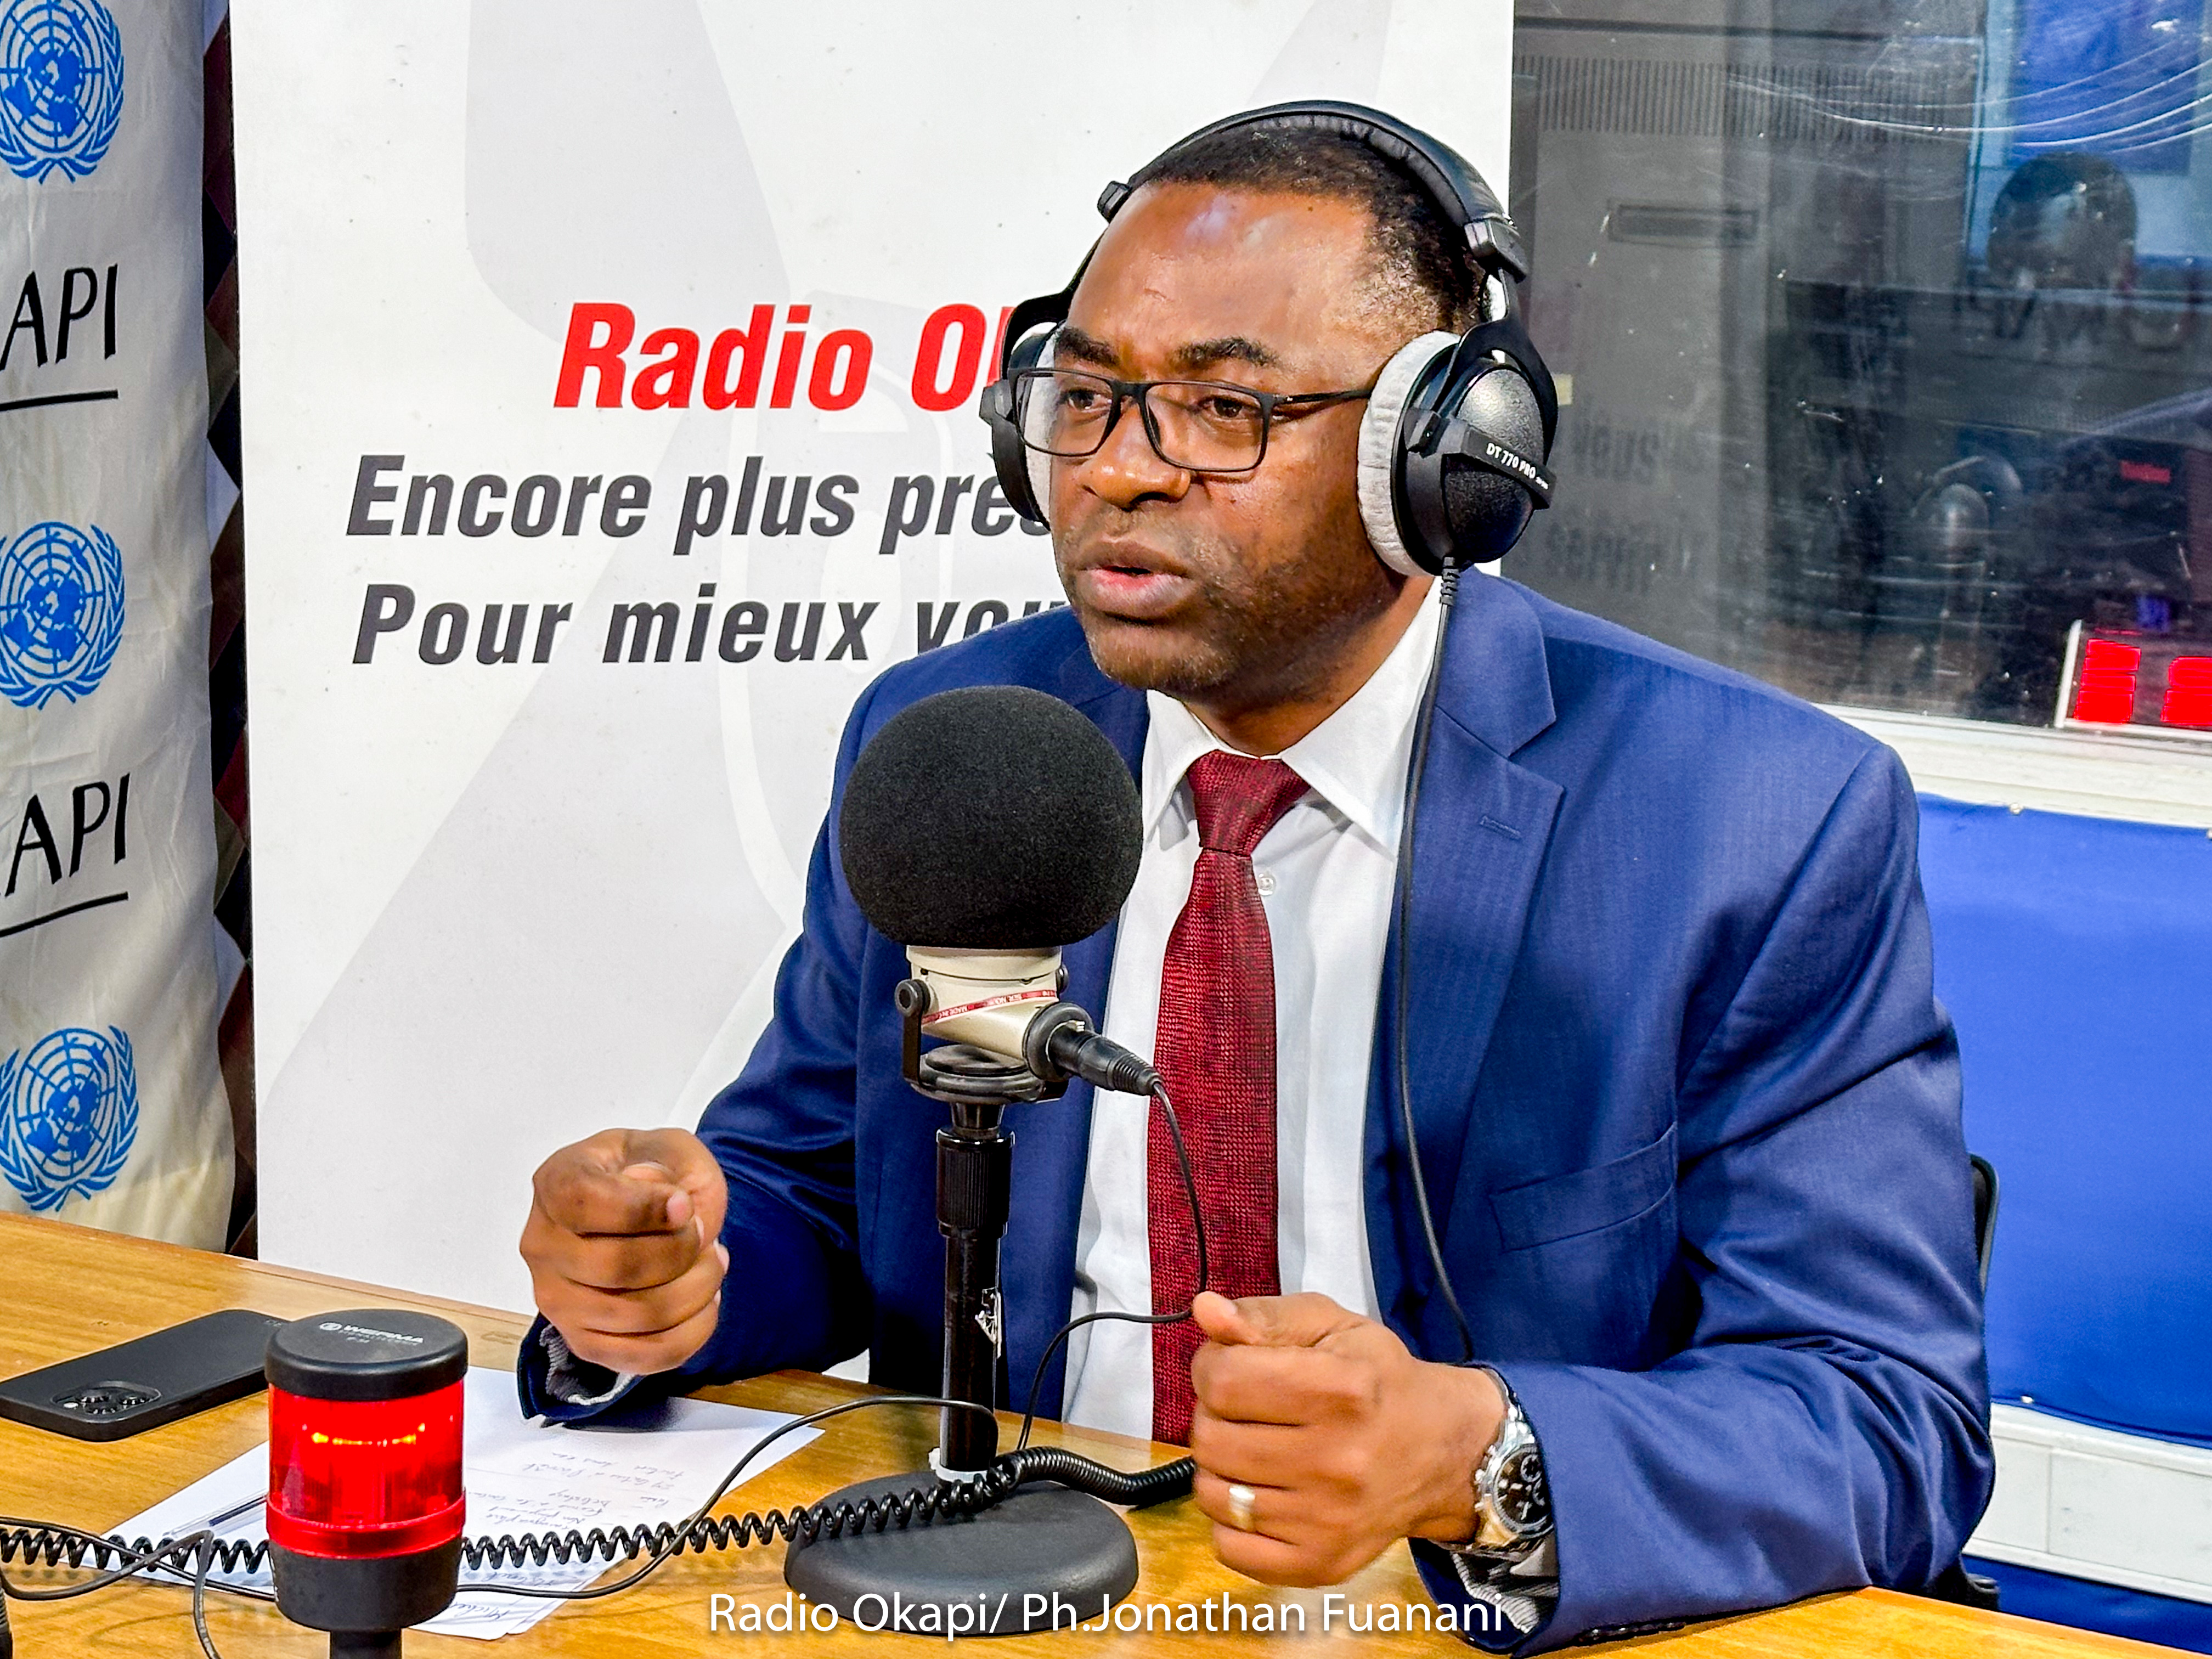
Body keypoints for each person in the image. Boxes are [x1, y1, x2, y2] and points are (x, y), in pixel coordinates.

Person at [515, 106, 1991, 1650]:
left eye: (1224, 408)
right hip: (1012, 1599)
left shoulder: (1747, 820)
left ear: (1438, 458)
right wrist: (674, 1272)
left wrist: (1474, 1460)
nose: (1119, 472)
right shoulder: (963, 750)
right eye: (1087, 396)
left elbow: (1883, 1411)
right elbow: (822, 1189)